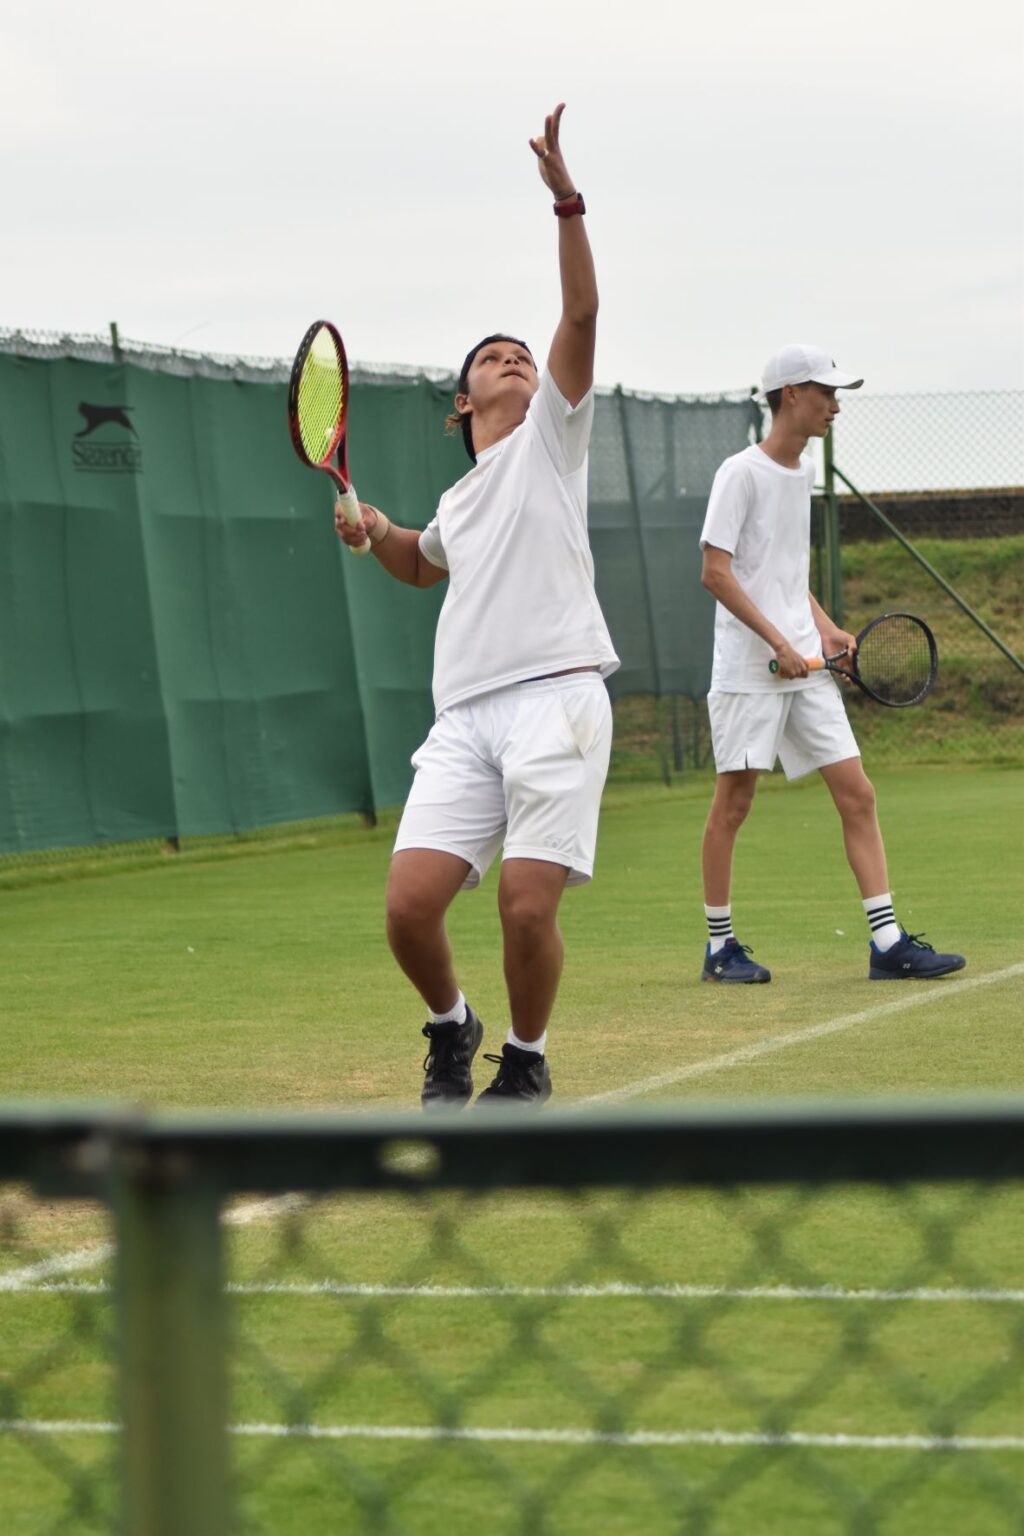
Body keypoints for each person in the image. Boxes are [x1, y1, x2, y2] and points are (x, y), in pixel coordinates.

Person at [336, 103, 618, 1104]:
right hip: (464, 719)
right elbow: (422, 563)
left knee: (523, 908)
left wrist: (564, 200)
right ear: (461, 402)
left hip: (556, 702)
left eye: (522, 356)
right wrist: (375, 533)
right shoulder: (461, 495)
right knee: (410, 909)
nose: (514, 359)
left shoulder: (552, 440)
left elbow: (579, 317)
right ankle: (452, 1028)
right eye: (492, 358)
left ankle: (528, 1063)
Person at [697, 342, 965, 983]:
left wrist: (824, 631)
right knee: (733, 805)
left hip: (804, 664)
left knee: (858, 793)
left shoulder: (801, 474)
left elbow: (785, 576)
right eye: (827, 393)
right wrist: (778, 645)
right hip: (749, 670)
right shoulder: (740, 473)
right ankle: (718, 949)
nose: (835, 406)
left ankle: (887, 942)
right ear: (792, 394)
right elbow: (715, 572)